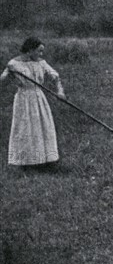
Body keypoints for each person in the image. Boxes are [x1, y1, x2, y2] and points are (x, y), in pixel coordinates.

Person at [0, 37, 65, 167]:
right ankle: (25, 162)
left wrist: (60, 92)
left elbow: (55, 76)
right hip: (23, 99)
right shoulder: (13, 63)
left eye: (42, 52)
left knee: (43, 127)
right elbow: (2, 80)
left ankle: (45, 160)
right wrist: (9, 73)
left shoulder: (41, 63)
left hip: (39, 98)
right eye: (39, 51)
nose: (41, 54)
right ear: (30, 50)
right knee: (25, 128)